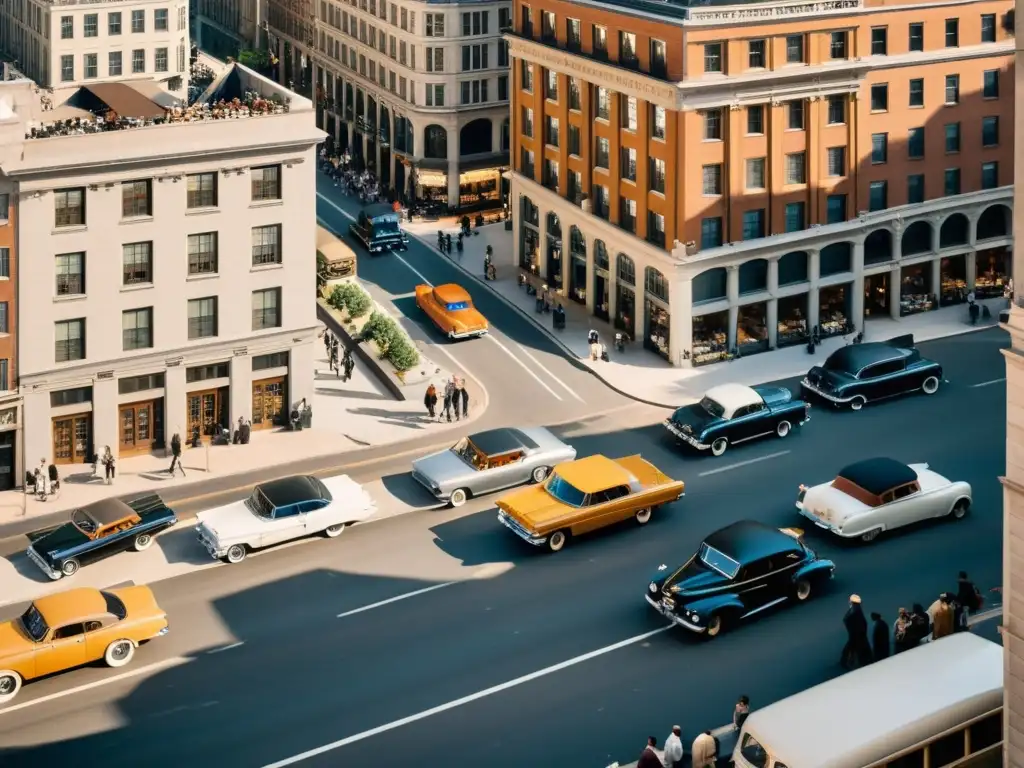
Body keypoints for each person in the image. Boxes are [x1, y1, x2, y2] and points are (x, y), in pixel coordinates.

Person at [841, 594, 872, 670]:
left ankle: (850, 663)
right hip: (857, 635)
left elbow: (847, 620)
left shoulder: (855, 612)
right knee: (854, 650)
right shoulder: (856, 611)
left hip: (856, 636)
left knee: (853, 650)